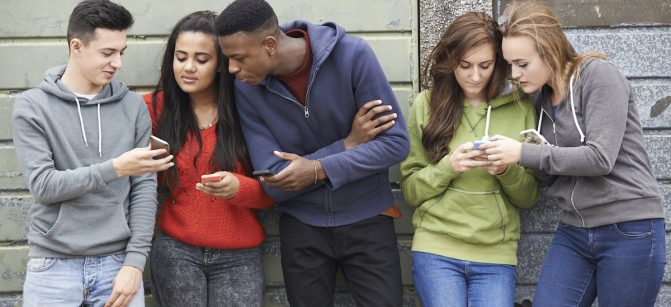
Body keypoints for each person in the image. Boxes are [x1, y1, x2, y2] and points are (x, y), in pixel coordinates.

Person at [215, 0, 410, 306]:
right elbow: (274, 180)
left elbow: (395, 144)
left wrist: (316, 169)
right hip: (302, 227)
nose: (231, 69)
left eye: (238, 58)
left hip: (369, 218)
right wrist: (346, 145)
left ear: (269, 45)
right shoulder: (245, 89)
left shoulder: (352, 56)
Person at [483, 1, 666, 306]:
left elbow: (600, 159)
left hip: (628, 229)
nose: (514, 74)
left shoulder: (597, 76)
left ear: (550, 50)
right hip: (575, 230)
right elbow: (548, 170)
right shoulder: (540, 98)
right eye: (510, 64)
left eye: (522, 64)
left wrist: (523, 152)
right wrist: (505, 162)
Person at [12, 1, 174, 306]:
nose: (118, 63)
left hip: (117, 266)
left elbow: (143, 190)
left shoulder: (132, 106)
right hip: (52, 267)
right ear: (77, 46)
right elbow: (44, 186)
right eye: (107, 53)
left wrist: (134, 263)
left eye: (121, 52)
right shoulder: (33, 107)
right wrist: (115, 168)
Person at [400, 12, 540, 307]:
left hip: (496, 253)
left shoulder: (520, 105)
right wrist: (448, 167)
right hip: (436, 246)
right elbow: (411, 191)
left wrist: (505, 170)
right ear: (451, 61)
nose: (475, 76)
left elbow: (529, 197)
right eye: (465, 65)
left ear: (498, 63)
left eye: (485, 66)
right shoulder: (427, 104)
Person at [143, 11, 276, 307]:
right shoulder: (155, 108)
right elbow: (140, 182)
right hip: (176, 250)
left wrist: (239, 189)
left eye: (201, 60)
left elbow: (277, 189)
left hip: (239, 255)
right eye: (181, 57)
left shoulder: (248, 111)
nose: (188, 68)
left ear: (220, 64)